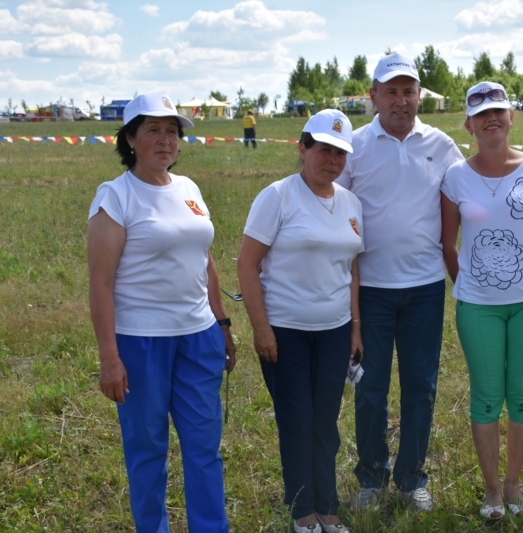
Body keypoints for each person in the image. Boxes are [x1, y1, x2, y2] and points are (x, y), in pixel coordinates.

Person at [87, 91, 236, 532]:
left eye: (172, 131)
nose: (165, 140)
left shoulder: (189, 189)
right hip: (140, 342)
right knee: (148, 448)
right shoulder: (115, 197)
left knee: (203, 446)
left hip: (198, 337)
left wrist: (222, 322)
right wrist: (109, 358)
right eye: (153, 130)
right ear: (130, 139)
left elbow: (205, 259)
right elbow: (100, 283)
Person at [335, 53, 464, 513]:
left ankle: (411, 478)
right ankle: (371, 476)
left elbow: (469, 193)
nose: (401, 100)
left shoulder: (443, 144)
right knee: (370, 387)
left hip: (426, 287)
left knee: (421, 386)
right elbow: (331, 202)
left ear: (419, 96)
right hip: (370, 289)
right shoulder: (354, 146)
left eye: (409, 91)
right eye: (391, 91)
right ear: (373, 96)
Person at [440, 82, 523, 519]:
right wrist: (470, 285)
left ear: (513, 118)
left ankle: (514, 484)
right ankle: (491, 491)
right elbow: (447, 244)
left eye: (499, 111)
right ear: (468, 124)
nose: (491, 118)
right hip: (478, 308)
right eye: (481, 113)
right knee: (486, 396)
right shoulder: (455, 176)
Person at [237, 109, 363, 533]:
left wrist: (355, 327)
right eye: (324, 149)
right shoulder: (278, 196)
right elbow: (247, 264)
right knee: (297, 420)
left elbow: (352, 269)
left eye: (340, 153)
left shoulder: (350, 203)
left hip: (334, 330)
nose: (333, 160)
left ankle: (329, 507)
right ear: (303, 148)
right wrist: (261, 328)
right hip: (286, 332)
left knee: (326, 422)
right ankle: (302, 511)